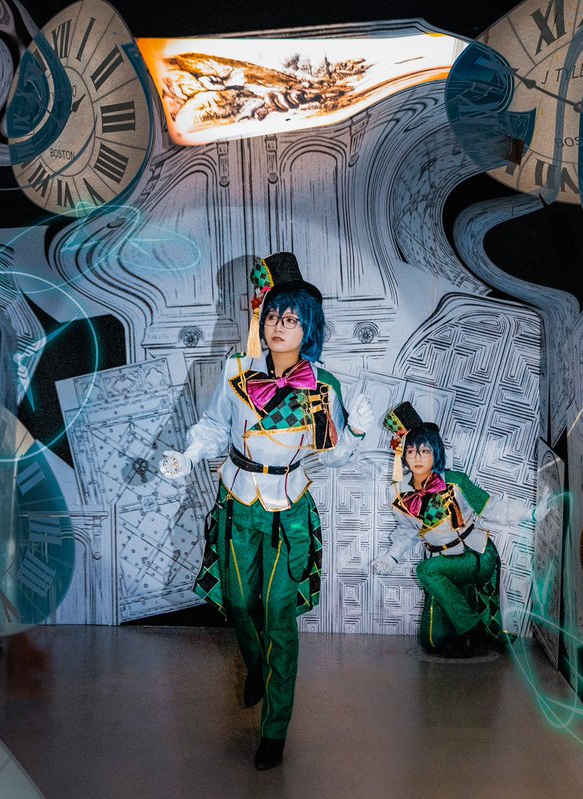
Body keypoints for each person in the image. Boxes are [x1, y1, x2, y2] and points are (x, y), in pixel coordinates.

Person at [159, 252, 374, 770]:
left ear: (308, 329)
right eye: (273, 315)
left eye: (291, 318)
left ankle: (274, 730)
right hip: (237, 501)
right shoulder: (236, 370)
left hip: (288, 509)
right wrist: (189, 454)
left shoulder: (323, 387)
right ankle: (256, 667)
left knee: (279, 616)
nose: (278, 325)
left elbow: (331, 454)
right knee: (237, 603)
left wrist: (356, 431)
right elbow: (215, 426)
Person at [372, 402, 529, 657]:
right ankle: (467, 631)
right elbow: (408, 530)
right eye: (410, 451)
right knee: (433, 641)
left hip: (474, 555)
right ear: (403, 455)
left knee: (426, 570)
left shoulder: (455, 482)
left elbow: (491, 507)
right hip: (441, 562)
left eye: (424, 451)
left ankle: (472, 629)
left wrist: (529, 513)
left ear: (435, 452)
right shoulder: (400, 492)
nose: (417, 458)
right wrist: (391, 556)